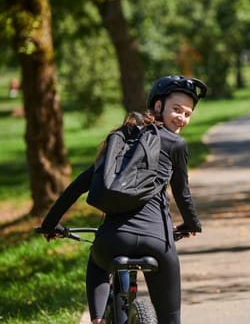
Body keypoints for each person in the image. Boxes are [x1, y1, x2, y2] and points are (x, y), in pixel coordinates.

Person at [40, 75, 207, 324]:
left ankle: (97, 319)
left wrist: (50, 224)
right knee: (170, 319)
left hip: (113, 241)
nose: (182, 118)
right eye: (177, 109)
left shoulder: (119, 142)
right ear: (158, 106)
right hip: (157, 241)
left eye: (187, 113)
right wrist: (191, 225)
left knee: (97, 264)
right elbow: (182, 193)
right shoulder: (176, 144)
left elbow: (76, 188)